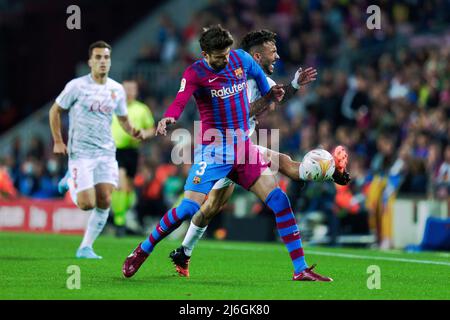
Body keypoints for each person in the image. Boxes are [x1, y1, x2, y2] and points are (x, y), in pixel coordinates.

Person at [122, 25, 333, 281]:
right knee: (190, 207)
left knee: (279, 201)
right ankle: (143, 250)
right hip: (213, 150)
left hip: (243, 148)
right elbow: (180, 100)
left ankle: (300, 269)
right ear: (204, 54)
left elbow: (264, 85)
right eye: (219, 57)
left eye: (227, 54)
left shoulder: (241, 59)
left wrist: (274, 93)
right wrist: (169, 117)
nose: (225, 60)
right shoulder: (194, 73)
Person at [169, 29, 350, 276]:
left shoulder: (260, 77)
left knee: (284, 166)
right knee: (212, 206)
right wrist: (270, 99)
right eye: (272, 51)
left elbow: (278, 96)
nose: (277, 56)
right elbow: (243, 112)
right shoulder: (235, 79)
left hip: (244, 147)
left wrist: (295, 85)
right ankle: (183, 250)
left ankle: (331, 174)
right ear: (256, 55)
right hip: (223, 148)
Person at [49, 41, 150, 259]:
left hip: (106, 153)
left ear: (110, 61)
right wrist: (58, 141)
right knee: (87, 204)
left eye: (106, 57)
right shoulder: (77, 86)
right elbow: (55, 111)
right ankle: (70, 181)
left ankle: (86, 247)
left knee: (105, 200)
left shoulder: (116, 89)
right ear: (90, 62)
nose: (102, 61)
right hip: (81, 153)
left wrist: (134, 131)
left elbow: (123, 118)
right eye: (98, 57)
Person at [110, 79, 155, 237]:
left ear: (136, 91)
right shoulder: (113, 107)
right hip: (115, 150)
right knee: (120, 183)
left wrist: (143, 134)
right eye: (126, 89)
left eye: (132, 89)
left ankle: (122, 209)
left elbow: (151, 129)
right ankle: (119, 221)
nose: (129, 92)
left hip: (133, 151)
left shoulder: (142, 109)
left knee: (128, 189)